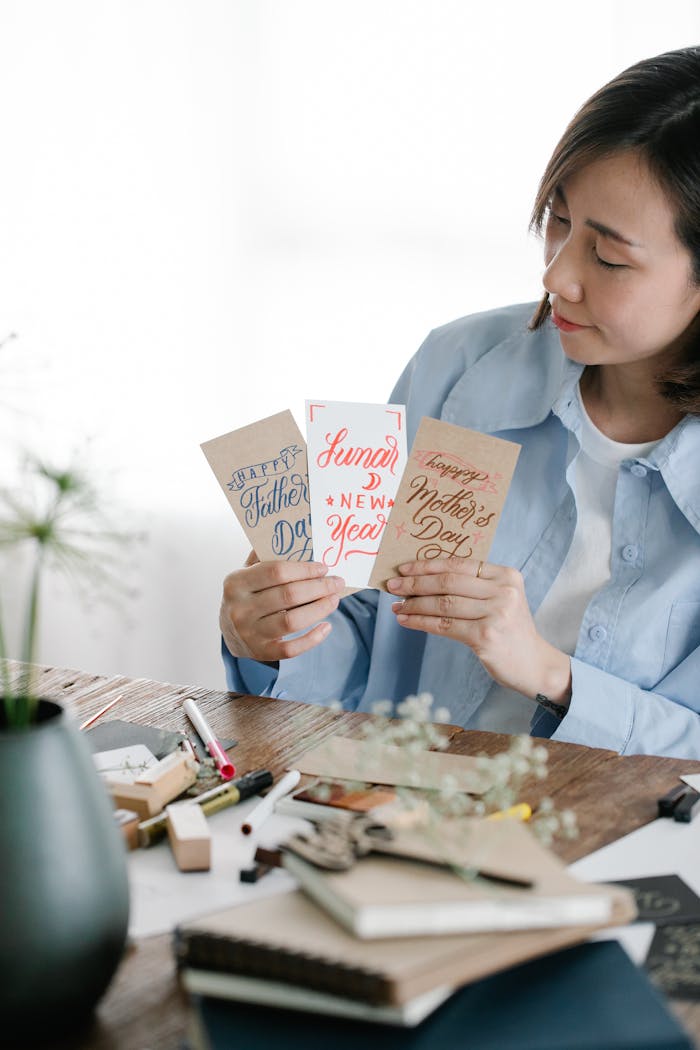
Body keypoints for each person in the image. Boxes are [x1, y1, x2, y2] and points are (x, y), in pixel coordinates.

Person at [219, 46, 700, 760]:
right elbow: (371, 649)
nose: (556, 275)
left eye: (608, 258)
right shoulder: (461, 367)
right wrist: (273, 637)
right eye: (558, 221)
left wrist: (547, 671)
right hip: (394, 811)